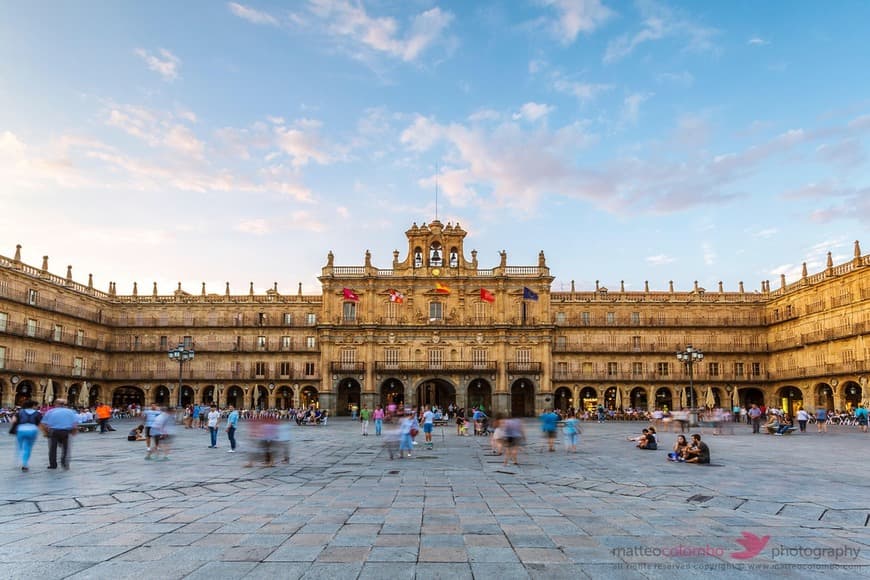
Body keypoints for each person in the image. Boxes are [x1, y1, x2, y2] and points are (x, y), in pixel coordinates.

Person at [40, 399, 78, 470]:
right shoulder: (70, 412)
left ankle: (53, 465)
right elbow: (75, 424)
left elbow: (43, 423)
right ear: (64, 404)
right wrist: (74, 432)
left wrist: (46, 433)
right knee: (66, 449)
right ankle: (64, 463)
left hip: (53, 431)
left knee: (52, 449)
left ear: (55, 404)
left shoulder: (50, 411)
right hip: (66, 432)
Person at [11, 400, 42, 472]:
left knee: (19, 446)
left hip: (21, 430)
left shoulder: (20, 412)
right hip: (32, 430)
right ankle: (25, 464)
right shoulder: (37, 413)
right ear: (32, 406)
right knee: (28, 448)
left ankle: (17, 460)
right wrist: (45, 432)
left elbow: (13, 421)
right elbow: (41, 424)